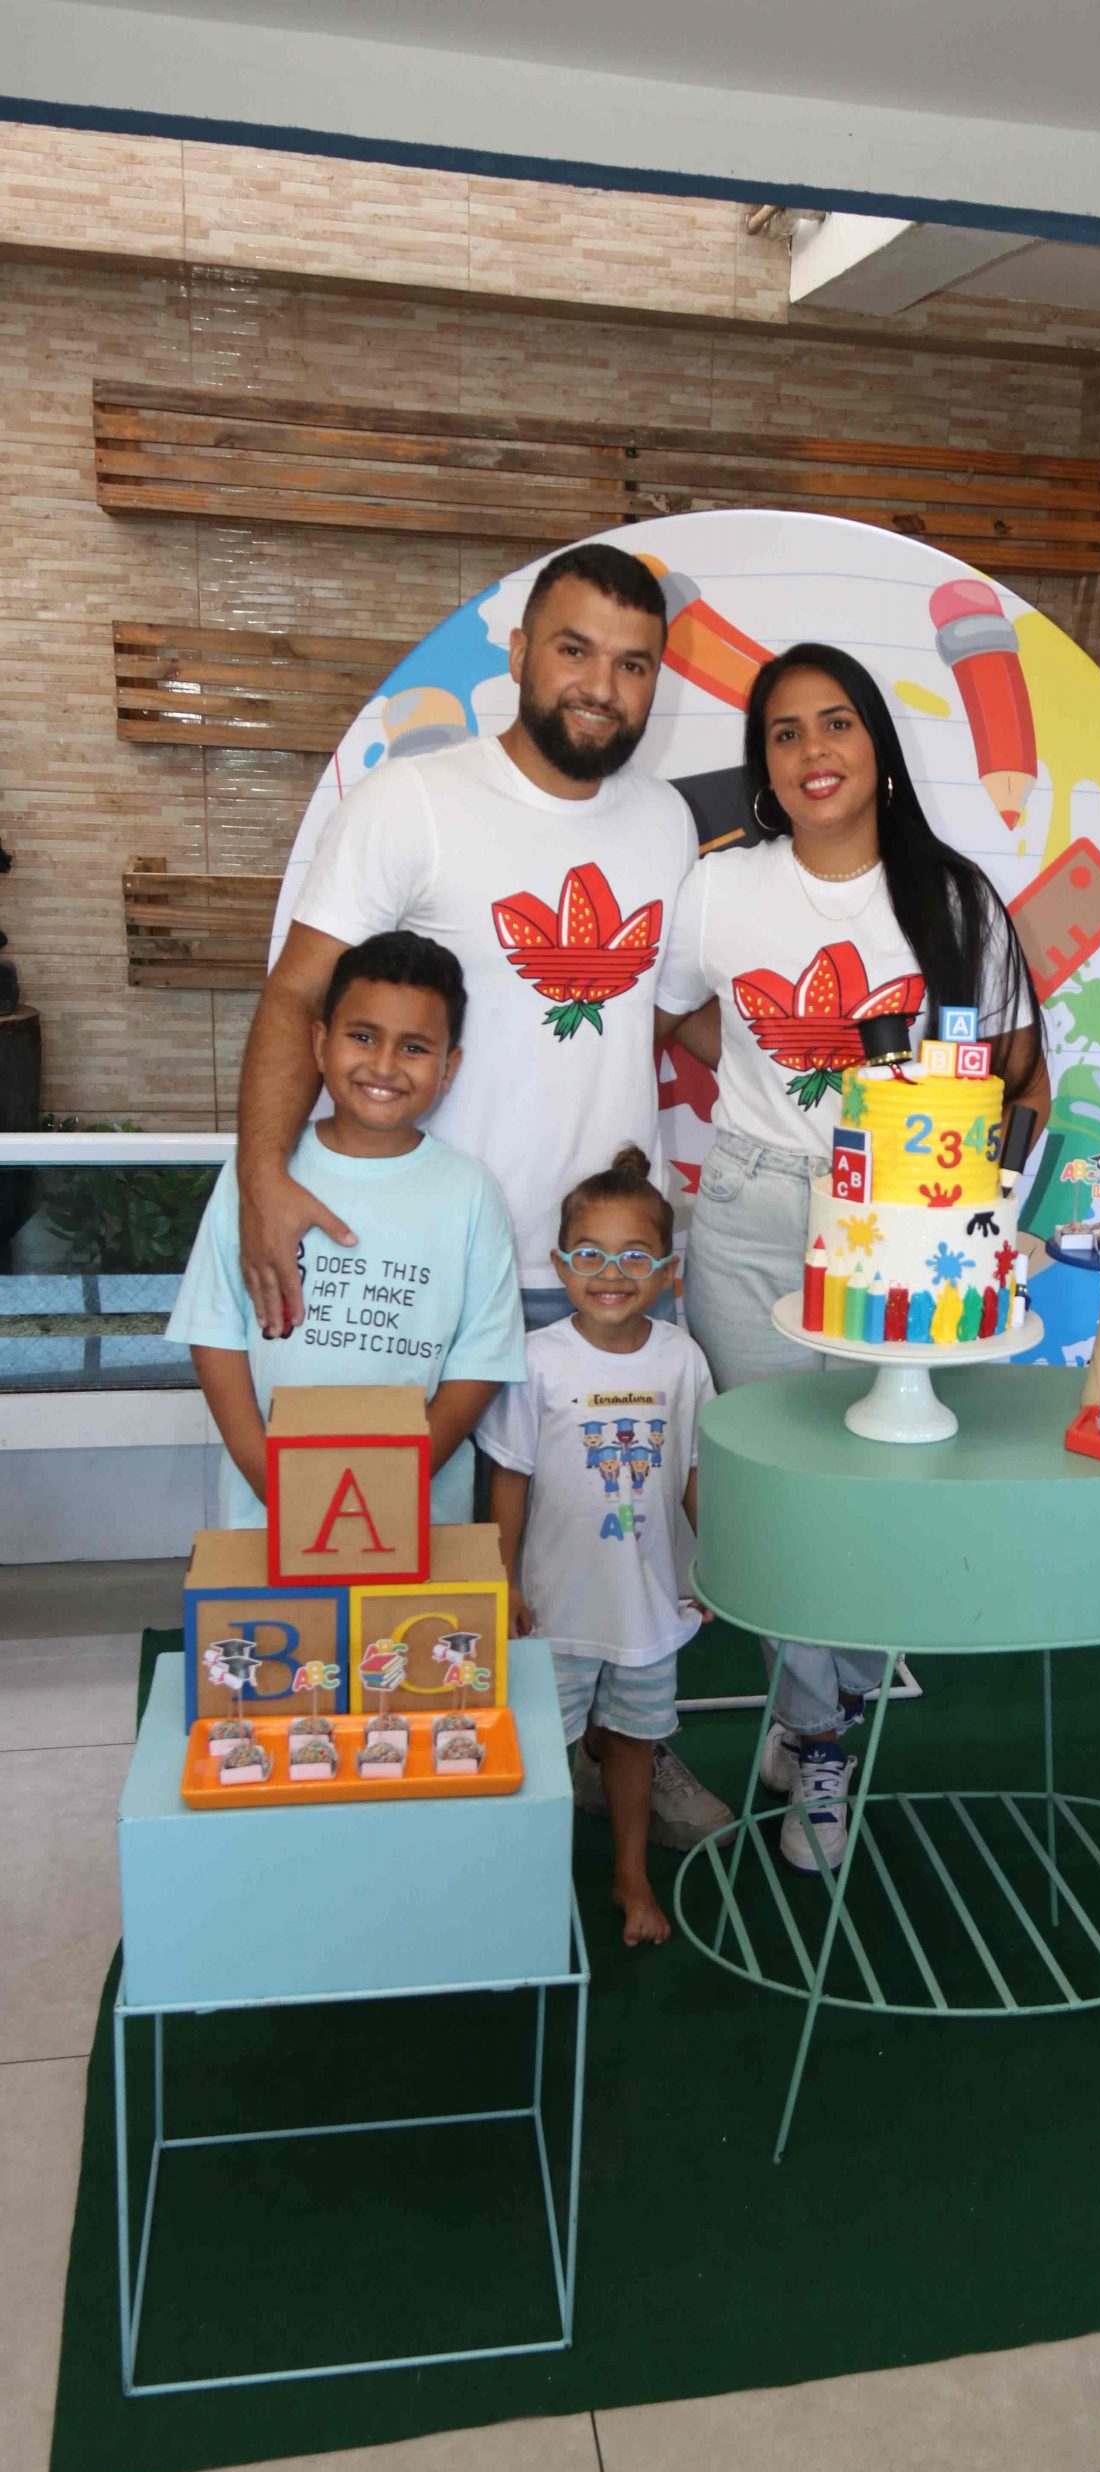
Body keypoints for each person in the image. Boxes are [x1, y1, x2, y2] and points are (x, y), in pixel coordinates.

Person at [232, 539, 728, 1844]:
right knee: (432, 1560)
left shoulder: (663, 822)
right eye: (574, 649)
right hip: (434, 1270)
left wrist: (834, 1079)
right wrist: (262, 1178)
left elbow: (670, 1014)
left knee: (614, 1540)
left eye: (633, 664)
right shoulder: (415, 800)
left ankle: (626, 1742)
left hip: (602, 1269)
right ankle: (445, 1790)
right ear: (519, 653)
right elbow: (297, 994)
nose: (601, 685)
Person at [654, 642, 1049, 1875]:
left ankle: (817, 1709)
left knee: (871, 1485)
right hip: (750, 1210)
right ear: (764, 765)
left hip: (906, 1226)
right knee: (772, 1488)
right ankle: (821, 1730)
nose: (812, 751)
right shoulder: (720, 888)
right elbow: (676, 1008)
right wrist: (765, 1080)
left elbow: (1020, 1077)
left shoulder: (955, 896)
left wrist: (977, 1209)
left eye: (836, 723)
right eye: (784, 733)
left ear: (879, 746)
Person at [167, 931, 526, 1527]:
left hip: (419, 1516)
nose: (383, 1065)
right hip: (267, 1513)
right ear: (319, 1042)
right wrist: (269, 1479)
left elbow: (481, 1360)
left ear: (448, 1069)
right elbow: (213, 1332)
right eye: (362, 1036)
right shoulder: (259, 1175)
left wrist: (394, 1485)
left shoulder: (471, 1192)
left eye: (414, 1047)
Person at [480, 1148, 720, 1946]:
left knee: (633, 1744)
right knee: (542, 1752)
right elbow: (509, 1477)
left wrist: (715, 1567)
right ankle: (532, 1885)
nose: (609, 1274)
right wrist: (504, 1581)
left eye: (633, 1258)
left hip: (646, 1609)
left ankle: (630, 1876)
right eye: (588, 1255)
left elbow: (692, 1470)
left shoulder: (681, 1358)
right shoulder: (537, 1360)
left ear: (666, 1272)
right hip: (555, 1612)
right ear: (558, 1265)